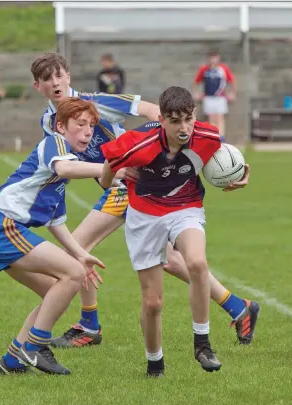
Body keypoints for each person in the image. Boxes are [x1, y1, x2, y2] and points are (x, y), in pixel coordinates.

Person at [32, 52, 260, 349]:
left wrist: (200, 153)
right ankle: (238, 307)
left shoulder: (97, 101)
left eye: (59, 75)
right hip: (120, 186)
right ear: (39, 86)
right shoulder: (49, 121)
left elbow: (156, 113)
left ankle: (89, 325)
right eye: (47, 79)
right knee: (170, 260)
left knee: (77, 249)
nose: (55, 83)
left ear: (68, 76)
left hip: (130, 185)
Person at [99, 86, 250, 376]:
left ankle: (202, 344)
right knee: (153, 303)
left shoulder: (206, 136)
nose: (183, 128)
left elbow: (223, 163)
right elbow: (108, 169)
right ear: (162, 119)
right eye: (175, 120)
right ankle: (155, 362)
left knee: (197, 262)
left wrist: (238, 177)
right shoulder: (137, 143)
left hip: (185, 207)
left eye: (188, 119)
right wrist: (115, 175)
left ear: (195, 115)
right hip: (144, 215)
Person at [0, 97, 117, 376]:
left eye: (91, 126)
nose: (88, 132)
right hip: (2, 228)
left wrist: (80, 252)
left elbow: (56, 221)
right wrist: (109, 168)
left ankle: (12, 360)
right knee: (72, 275)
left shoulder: (61, 172)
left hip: (1, 230)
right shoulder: (55, 144)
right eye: (80, 125)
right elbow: (65, 168)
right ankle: (36, 347)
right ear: (61, 126)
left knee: (53, 288)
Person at [193, 50, 235, 139]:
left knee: (220, 117)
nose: (213, 60)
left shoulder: (223, 69)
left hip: (220, 98)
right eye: (211, 58)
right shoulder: (204, 69)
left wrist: (232, 93)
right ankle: (213, 137)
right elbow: (196, 82)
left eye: (215, 58)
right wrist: (197, 93)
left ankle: (221, 138)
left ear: (218, 58)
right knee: (211, 118)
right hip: (208, 97)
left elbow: (232, 81)